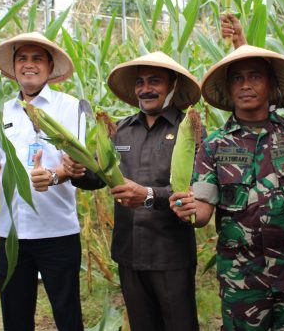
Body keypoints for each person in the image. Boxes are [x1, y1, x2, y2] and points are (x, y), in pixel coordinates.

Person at [171, 45, 284, 330]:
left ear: (272, 85)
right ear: (229, 89)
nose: (246, 85)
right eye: (237, 79)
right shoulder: (214, 145)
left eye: (255, 77)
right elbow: (203, 210)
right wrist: (188, 209)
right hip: (242, 278)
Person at [64, 52, 202, 331]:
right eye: (139, 82)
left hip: (170, 254)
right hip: (129, 252)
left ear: (173, 85)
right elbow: (98, 177)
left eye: (154, 81)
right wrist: (77, 170)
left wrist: (149, 195)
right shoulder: (121, 130)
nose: (145, 88)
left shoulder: (190, 129)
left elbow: (195, 189)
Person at [0, 32, 84, 331]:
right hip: (12, 234)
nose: (29, 65)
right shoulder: (1, 111)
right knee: (15, 316)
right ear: (14, 66)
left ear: (50, 65)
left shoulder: (71, 107)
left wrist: (55, 176)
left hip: (58, 231)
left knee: (67, 314)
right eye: (22, 59)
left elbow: (80, 163)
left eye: (37, 59)